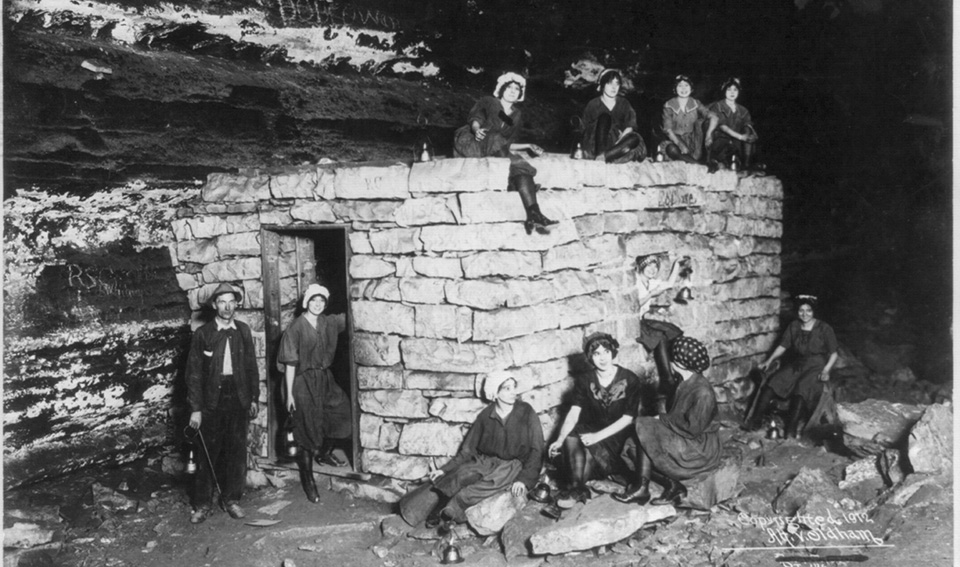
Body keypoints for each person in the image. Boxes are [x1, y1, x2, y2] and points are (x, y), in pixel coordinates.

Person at [400, 371, 544, 528]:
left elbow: (537, 448)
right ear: (495, 393)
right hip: (485, 461)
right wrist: (444, 470)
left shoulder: (526, 412)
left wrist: (524, 479)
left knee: (480, 488)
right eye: (507, 388)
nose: (513, 392)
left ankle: (450, 512)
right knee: (460, 475)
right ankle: (436, 507)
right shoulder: (486, 416)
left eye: (514, 387)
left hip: (510, 465)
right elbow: (468, 450)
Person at [185, 283, 260, 524]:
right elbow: (193, 374)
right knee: (206, 452)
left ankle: (232, 499)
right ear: (214, 305)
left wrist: (253, 397)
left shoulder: (243, 331)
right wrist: (196, 409)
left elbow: (251, 367)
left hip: (238, 396)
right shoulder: (203, 334)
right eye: (222, 302)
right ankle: (202, 504)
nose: (227, 307)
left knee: (236, 451)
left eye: (231, 301)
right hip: (211, 400)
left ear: (236, 304)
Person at [616, 336, 720, 506]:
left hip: (699, 448)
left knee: (644, 427)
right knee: (632, 446)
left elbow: (692, 429)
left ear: (680, 364)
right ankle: (671, 484)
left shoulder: (703, 392)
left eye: (672, 358)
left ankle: (642, 489)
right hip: (685, 435)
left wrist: (662, 419)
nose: (669, 361)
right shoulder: (685, 381)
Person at [547, 333, 645, 506]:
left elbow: (628, 419)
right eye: (596, 353)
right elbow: (574, 413)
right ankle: (577, 488)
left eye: (606, 352)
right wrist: (560, 439)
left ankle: (573, 490)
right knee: (572, 437)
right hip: (592, 428)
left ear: (613, 352)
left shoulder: (630, 379)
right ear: (590, 357)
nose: (602, 358)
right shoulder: (584, 380)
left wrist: (596, 437)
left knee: (586, 455)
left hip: (618, 436)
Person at [453, 72, 557, 234]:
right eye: (509, 87)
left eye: (517, 89)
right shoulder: (490, 102)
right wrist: (476, 129)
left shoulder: (516, 115)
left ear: (520, 94)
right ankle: (518, 183)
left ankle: (534, 214)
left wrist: (528, 145)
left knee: (517, 165)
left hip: (495, 147)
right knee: (503, 147)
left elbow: (505, 144)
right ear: (502, 89)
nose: (513, 91)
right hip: (472, 142)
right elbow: (476, 118)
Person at [278, 283, 351, 503]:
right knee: (306, 427)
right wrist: (290, 394)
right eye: (313, 300)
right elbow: (290, 364)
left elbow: (349, 316)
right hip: (301, 382)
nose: (317, 304)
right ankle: (308, 479)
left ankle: (324, 452)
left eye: (321, 301)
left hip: (324, 379)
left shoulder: (329, 322)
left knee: (341, 412)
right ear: (306, 302)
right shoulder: (296, 328)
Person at [747, 295, 838, 438]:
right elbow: (783, 346)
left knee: (802, 388)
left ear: (814, 311)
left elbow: (834, 354)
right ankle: (755, 421)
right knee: (774, 381)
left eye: (808, 310)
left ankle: (791, 429)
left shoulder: (824, 328)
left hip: (816, 365)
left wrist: (826, 370)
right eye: (801, 310)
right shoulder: (794, 326)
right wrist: (768, 361)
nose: (805, 314)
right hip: (798, 363)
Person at [634, 254, 687, 414]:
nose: (652, 270)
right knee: (659, 337)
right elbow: (634, 305)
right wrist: (651, 294)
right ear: (641, 267)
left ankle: (675, 370)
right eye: (649, 266)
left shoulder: (651, 282)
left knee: (673, 332)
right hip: (635, 321)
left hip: (643, 319)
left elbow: (669, 284)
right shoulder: (635, 281)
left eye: (655, 267)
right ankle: (667, 378)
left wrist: (676, 264)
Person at [579, 69, 647, 163]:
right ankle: (601, 154)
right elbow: (584, 130)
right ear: (602, 85)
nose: (614, 87)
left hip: (617, 145)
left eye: (617, 84)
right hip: (596, 144)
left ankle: (605, 156)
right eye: (610, 83)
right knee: (604, 117)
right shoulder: (593, 104)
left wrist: (619, 142)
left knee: (634, 138)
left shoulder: (624, 103)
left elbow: (630, 126)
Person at [658, 75, 719, 166]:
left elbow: (714, 117)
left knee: (707, 124)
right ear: (675, 89)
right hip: (676, 139)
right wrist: (679, 144)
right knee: (671, 149)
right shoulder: (669, 105)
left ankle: (706, 160)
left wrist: (708, 134)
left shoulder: (695, 103)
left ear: (691, 88)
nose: (683, 89)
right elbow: (668, 130)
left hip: (694, 141)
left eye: (686, 85)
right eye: (680, 86)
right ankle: (698, 165)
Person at [706, 77, 761, 172]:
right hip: (720, 140)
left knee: (748, 134)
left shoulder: (743, 110)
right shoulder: (718, 106)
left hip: (737, 142)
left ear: (739, 92)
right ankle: (721, 162)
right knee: (726, 153)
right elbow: (723, 127)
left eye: (735, 90)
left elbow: (748, 124)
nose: (732, 92)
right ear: (724, 91)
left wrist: (750, 134)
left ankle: (746, 164)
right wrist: (741, 137)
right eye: (729, 89)